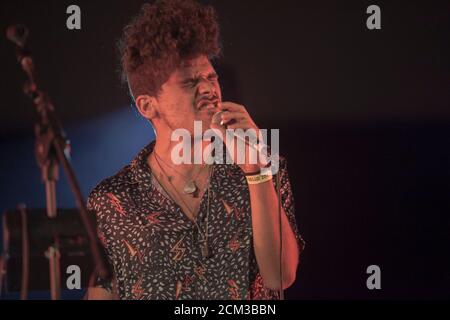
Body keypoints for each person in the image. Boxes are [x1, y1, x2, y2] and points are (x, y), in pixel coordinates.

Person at [86, 0, 304, 300]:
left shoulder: (264, 166)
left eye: (211, 78)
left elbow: (280, 276)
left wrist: (256, 170)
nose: (208, 90)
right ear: (148, 106)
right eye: (189, 82)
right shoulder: (113, 201)